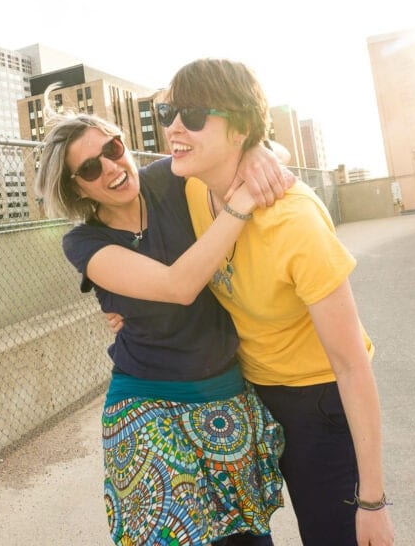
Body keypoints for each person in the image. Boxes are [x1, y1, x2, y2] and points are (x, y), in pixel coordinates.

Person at [160, 59, 395, 546]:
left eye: (195, 114)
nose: (175, 128)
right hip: (246, 396)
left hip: (318, 403)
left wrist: (372, 502)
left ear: (240, 127)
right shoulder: (188, 184)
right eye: (168, 113)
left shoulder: (295, 221)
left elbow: (352, 366)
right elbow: (110, 196)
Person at [34, 111, 293, 546]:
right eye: (91, 168)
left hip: (224, 393)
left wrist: (256, 154)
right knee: (176, 535)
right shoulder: (84, 243)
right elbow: (179, 286)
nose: (112, 168)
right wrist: (241, 203)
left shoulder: (171, 178)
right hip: (146, 400)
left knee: (248, 539)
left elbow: (272, 153)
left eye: (112, 149)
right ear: (76, 188)